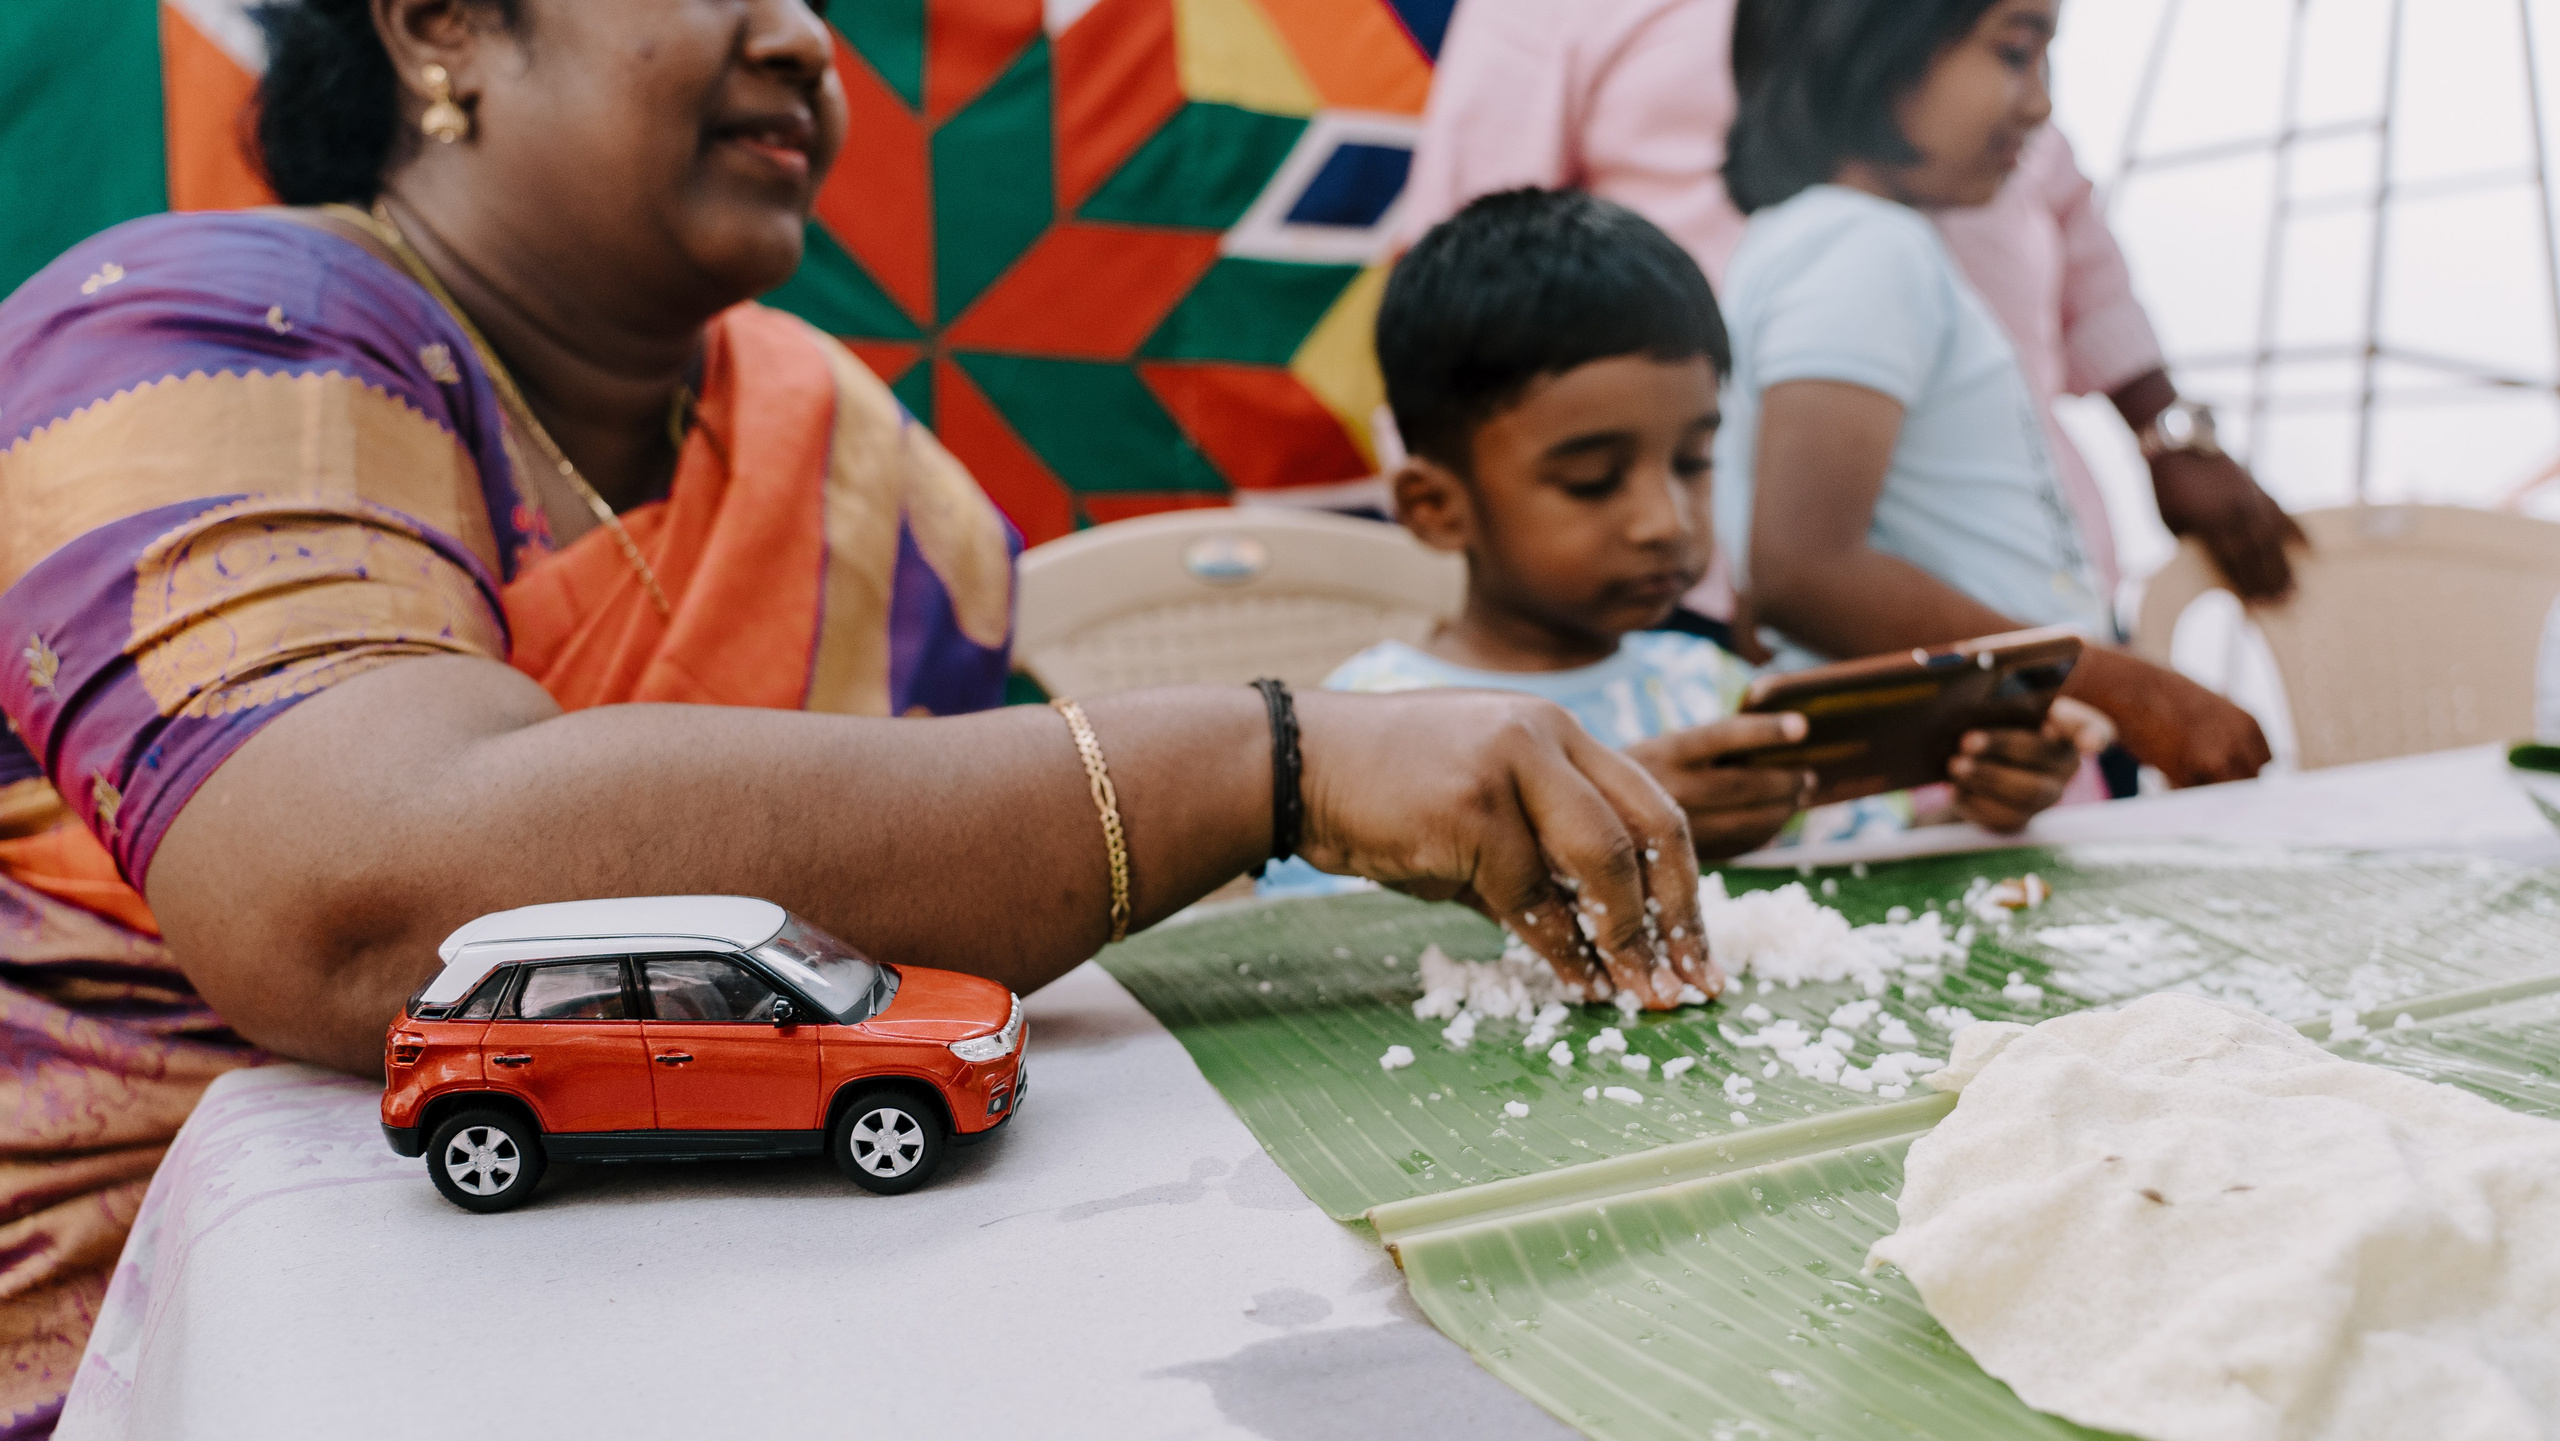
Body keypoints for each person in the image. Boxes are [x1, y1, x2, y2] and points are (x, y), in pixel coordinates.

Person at [0, 2, 1718, 1429]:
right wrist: (1278, 761)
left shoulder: (837, 442)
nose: (812, 40)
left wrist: (1516, 800)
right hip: (183, 1338)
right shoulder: (192, 333)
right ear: (445, 26)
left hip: (742, 1302)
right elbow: (357, 895)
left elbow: (1020, 863)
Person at [1262, 186, 2106, 906]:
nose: (1665, 520)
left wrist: (1977, 806)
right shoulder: (1368, 726)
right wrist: (1623, 816)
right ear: (1437, 507)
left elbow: (1853, 865)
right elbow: (1317, 937)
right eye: (1593, 479)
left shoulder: (1716, 692)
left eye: (1695, 462)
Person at [1398, 0, 2307, 629]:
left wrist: (2167, 429)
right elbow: (1472, 262)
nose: (2036, 99)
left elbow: (2067, 211)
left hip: (2024, 568)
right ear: (1872, 60)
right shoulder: (1837, 243)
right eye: (2013, 54)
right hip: (1720, 568)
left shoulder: (1979, 115)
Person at [1712, 0, 2272, 789]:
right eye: (2013, 53)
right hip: (1948, 796)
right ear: (1873, 44)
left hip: (1996, 769)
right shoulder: (1858, 250)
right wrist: (2136, 691)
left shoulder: (1843, 240)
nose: (2041, 104)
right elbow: (1803, 570)